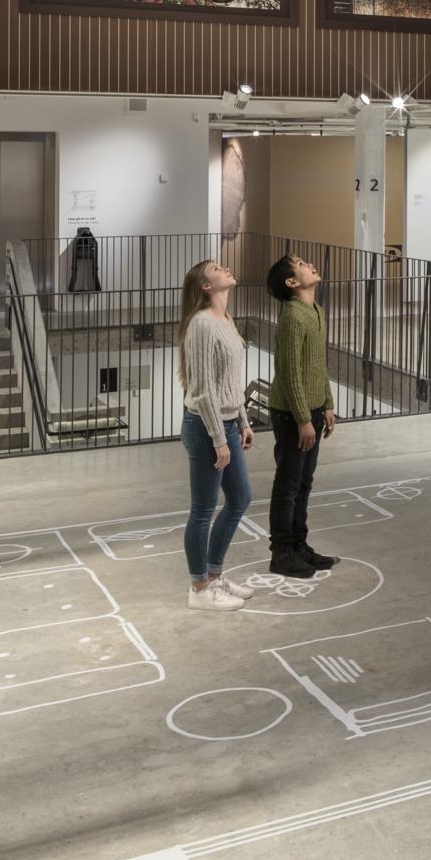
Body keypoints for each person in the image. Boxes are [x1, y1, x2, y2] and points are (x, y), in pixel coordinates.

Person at [176, 259, 255, 610]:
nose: (225, 269)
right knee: (203, 509)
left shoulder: (226, 320)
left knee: (239, 499)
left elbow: (230, 382)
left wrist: (242, 420)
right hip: (205, 427)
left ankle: (214, 573)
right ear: (206, 286)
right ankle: (199, 589)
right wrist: (219, 438)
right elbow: (205, 389)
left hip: (226, 424)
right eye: (217, 269)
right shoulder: (202, 325)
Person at [265, 251, 336, 579]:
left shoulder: (316, 311)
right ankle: (281, 552)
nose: (310, 264)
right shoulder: (293, 316)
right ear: (292, 282)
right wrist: (304, 419)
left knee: (304, 482)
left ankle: (299, 545)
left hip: (313, 409)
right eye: (301, 264)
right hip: (292, 414)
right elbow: (290, 370)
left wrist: (327, 404)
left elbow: (317, 364)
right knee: (289, 483)